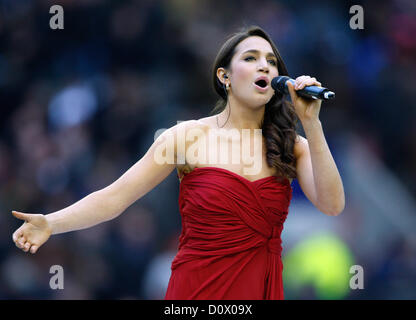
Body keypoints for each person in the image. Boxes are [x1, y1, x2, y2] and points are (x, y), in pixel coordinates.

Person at [11, 26, 345, 300]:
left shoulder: (291, 145)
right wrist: (51, 223)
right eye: (251, 57)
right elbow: (115, 197)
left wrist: (311, 123)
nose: (265, 66)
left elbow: (332, 205)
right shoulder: (186, 137)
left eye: (271, 61)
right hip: (195, 293)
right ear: (225, 76)